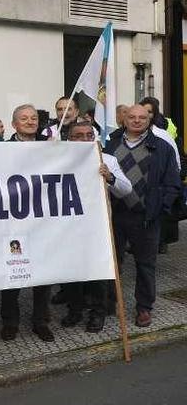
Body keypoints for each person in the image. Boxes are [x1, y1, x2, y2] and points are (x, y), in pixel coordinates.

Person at [104, 105, 180, 327]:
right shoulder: (111, 144)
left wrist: (160, 209)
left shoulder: (162, 147)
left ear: (149, 120)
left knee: (145, 264)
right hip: (115, 215)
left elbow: (172, 184)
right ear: (123, 119)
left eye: (142, 118)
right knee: (113, 262)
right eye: (132, 117)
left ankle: (144, 308)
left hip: (146, 217)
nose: (137, 121)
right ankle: (110, 302)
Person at [61, 121, 132, 332]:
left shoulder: (107, 159)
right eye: (79, 135)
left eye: (88, 135)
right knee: (72, 273)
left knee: (98, 273)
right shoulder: (59, 159)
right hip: (68, 228)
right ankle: (74, 310)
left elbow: (126, 189)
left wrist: (110, 177)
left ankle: (98, 313)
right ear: (69, 139)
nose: (84, 139)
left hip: (97, 228)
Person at [0, 105, 54, 342]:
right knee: (12, 273)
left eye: (33, 118)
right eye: (24, 118)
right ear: (14, 124)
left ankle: (40, 321)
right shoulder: (1, 150)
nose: (30, 122)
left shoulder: (52, 147)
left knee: (42, 275)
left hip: (43, 221)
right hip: (13, 222)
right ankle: (10, 322)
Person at [138, 97, 182, 255]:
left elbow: (175, 164)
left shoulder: (163, 136)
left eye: (149, 112)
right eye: (143, 111)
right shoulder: (128, 135)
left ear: (154, 114)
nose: (145, 116)